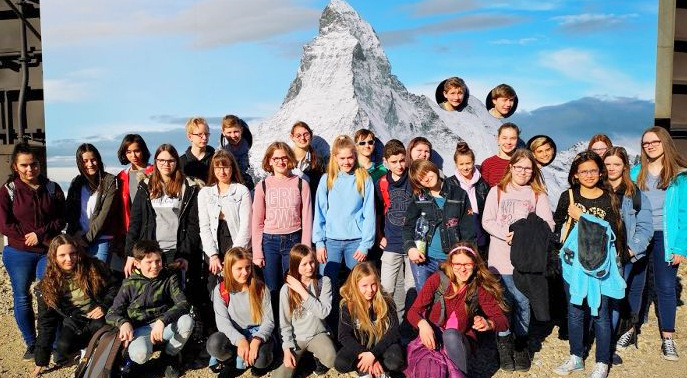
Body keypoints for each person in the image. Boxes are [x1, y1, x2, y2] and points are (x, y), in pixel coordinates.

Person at [553, 151, 626, 378]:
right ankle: (576, 356)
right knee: (574, 311)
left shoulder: (608, 197)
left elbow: (614, 231)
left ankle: (602, 361)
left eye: (593, 170)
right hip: (572, 263)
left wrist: (583, 217)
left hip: (599, 264)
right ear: (575, 174)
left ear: (600, 172)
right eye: (583, 171)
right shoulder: (569, 196)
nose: (589, 175)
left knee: (601, 313)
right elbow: (558, 224)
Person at [481, 148, 554, 372]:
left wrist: (525, 236)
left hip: (526, 262)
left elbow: (548, 225)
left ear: (533, 171)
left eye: (528, 168)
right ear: (510, 167)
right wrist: (506, 233)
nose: (523, 171)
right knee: (503, 304)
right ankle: (504, 345)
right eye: (519, 167)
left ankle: (521, 344)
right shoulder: (497, 192)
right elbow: (487, 221)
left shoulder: (537, 194)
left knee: (522, 301)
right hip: (499, 258)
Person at [0, 142, 66, 360]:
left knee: (48, 295)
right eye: (25, 165)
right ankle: (31, 342)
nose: (30, 170)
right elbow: (4, 224)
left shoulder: (52, 188)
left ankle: (53, 342)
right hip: (18, 253)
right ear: (15, 167)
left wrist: (40, 233)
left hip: (47, 251)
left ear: (40, 164)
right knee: (22, 297)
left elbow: (61, 218)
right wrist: (26, 236)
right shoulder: (7, 192)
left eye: (34, 164)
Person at [406, 241, 509, 376]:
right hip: (433, 340)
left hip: (459, 341)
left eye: (467, 264)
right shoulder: (437, 280)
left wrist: (488, 323)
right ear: (450, 264)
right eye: (457, 265)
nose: (462, 269)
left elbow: (503, 321)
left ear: (475, 264)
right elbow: (413, 311)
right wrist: (422, 324)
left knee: (451, 335)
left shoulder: (478, 288)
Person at [630, 126, 687, 360]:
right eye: (646, 143)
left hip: (666, 236)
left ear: (665, 143)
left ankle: (668, 337)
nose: (650, 146)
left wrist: (681, 247)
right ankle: (630, 328)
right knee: (635, 284)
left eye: (654, 142)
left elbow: (684, 213)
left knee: (665, 287)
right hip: (639, 236)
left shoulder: (679, 176)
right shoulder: (635, 173)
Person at [32, 235, 118, 376]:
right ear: (53, 257)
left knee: (102, 330)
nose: (69, 259)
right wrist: (40, 361)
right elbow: (45, 323)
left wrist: (104, 305)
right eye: (62, 255)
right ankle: (86, 350)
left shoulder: (94, 267)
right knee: (63, 346)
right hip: (74, 318)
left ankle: (98, 355)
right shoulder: (47, 286)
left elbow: (115, 287)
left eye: (73, 253)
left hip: (99, 312)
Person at [106, 240, 194, 378]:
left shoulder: (169, 277)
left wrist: (162, 320)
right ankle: (134, 361)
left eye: (158, 261)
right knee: (140, 355)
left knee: (187, 321)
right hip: (139, 329)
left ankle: (169, 357)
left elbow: (183, 303)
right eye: (149, 262)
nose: (155, 266)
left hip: (164, 326)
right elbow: (112, 313)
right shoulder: (129, 284)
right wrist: (123, 323)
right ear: (137, 263)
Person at [603, 147, 653, 351]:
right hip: (596, 255)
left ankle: (609, 342)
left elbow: (645, 227)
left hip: (622, 255)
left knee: (615, 298)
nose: (612, 168)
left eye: (617, 164)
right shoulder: (595, 189)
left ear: (625, 166)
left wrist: (630, 251)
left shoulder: (635, 194)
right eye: (607, 164)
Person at [124, 144, 200, 276]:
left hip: (176, 252)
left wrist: (185, 254)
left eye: (170, 160)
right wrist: (131, 254)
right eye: (161, 160)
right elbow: (135, 221)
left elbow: (193, 225)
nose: (166, 164)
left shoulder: (188, 187)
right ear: (156, 162)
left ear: (176, 162)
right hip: (150, 251)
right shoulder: (145, 185)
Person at [313, 135, 375, 296]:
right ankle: (329, 319)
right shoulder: (327, 179)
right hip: (330, 242)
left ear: (355, 156)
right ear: (335, 157)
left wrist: (365, 245)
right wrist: (319, 243)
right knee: (327, 286)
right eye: (342, 158)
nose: (346, 162)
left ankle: (355, 318)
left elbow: (369, 214)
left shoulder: (363, 179)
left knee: (357, 287)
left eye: (350, 157)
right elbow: (319, 213)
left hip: (356, 243)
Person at [252, 142, 312, 301]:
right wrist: (257, 252)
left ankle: (292, 322)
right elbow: (257, 222)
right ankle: (276, 324)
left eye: (284, 157)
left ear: (290, 159)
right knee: (272, 287)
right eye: (276, 158)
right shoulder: (262, 186)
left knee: (293, 285)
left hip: (294, 240)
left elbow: (307, 218)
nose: (280, 161)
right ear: (269, 161)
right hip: (269, 242)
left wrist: (305, 249)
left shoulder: (301, 184)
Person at [403, 159, 475, 291]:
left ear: (433, 168)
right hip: (423, 261)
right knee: (424, 302)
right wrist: (410, 248)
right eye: (421, 178)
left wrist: (466, 257)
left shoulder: (459, 193)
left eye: (427, 172)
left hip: (450, 261)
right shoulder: (418, 197)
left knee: (451, 300)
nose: (426, 178)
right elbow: (408, 226)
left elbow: (469, 231)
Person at [206, 247, 275, 372]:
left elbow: (268, 321)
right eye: (239, 268)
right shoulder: (221, 290)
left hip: (256, 333)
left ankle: (250, 359)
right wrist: (240, 340)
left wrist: (257, 339)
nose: (245, 272)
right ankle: (233, 359)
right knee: (214, 344)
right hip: (235, 334)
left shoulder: (260, 288)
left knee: (262, 359)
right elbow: (223, 323)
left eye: (247, 267)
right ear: (229, 268)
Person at [273, 244, 335, 378]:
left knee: (331, 358)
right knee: (279, 376)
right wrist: (287, 349)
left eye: (312, 262)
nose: (310, 267)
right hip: (297, 338)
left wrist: (301, 291)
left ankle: (314, 358)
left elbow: (323, 312)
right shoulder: (286, 290)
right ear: (295, 265)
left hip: (318, 334)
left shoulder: (324, 282)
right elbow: (285, 323)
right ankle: (302, 359)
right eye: (304, 264)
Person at [334, 262, 404, 376]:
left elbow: (394, 331)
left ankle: (382, 370)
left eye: (373, 284)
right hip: (361, 346)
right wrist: (366, 354)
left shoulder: (387, 301)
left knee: (396, 361)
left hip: (382, 345)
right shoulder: (348, 305)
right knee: (341, 363)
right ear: (355, 285)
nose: (370, 290)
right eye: (364, 286)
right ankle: (365, 368)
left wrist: (373, 355)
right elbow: (344, 336)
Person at [376, 140, 415, 320]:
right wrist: (380, 236)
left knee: (411, 289)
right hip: (391, 242)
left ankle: (409, 327)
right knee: (387, 288)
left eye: (402, 160)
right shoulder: (382, 183)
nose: (399, 165)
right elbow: (377, 211)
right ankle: (387, 325)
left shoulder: (414, 178)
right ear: (386, 161)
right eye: (394, 162)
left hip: (413, 243)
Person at [65, 143, 119, 264]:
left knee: (98, 278)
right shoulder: (76, 182)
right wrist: (76, 234)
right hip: (77, 238)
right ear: (80, 163)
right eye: (85, 161)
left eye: (93, 160)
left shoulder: (109, 181)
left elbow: (105, 214)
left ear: (98, 160)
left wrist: (87, 239)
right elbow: (70, 211)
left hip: (101, 239)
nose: (90, 164)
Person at [115, 134, 153, 273]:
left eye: (136, 150)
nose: (133, 155)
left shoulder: (155, 172)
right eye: (129, 152)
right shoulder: (122, 177)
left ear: (143, 150)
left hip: (151, 231)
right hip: (130, 231)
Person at [451, 141, 490, 257]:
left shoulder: (482, 184)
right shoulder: (450, 184)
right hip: (461, 233)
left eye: (468, 163)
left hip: (480, 233)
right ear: (456, 164)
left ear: (473, 162)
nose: (465, 167)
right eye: (461, 164)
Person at [289, 121, 326, 208]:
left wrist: (307, 180)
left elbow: (320, 189)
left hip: (309, 207)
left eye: (306, 134)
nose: (302, 138)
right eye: (298, 135)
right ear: (292, 137)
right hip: (290, 209)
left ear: (311, 135)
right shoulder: (285, 159)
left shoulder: (318, 161)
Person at [218, 115, 254, 191]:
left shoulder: (245, 146)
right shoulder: (224, 148)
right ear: (223, 132)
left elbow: (243, 165)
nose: (233, 135)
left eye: (236, 131)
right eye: (229, 132)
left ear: (241, 130)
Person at [481, 123, 520, 187]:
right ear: (498, 139)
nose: (508, 142)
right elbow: (482, 192)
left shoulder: (522, 163)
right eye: (504, 138)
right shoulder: (488, 164)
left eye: (513, 138)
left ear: (517, 140)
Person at [179, 117, 215, 183]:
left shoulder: (215, 158)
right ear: (190, 136)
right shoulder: (181, 162)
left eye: (206, 134)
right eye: (200, 134)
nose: (204, 138)